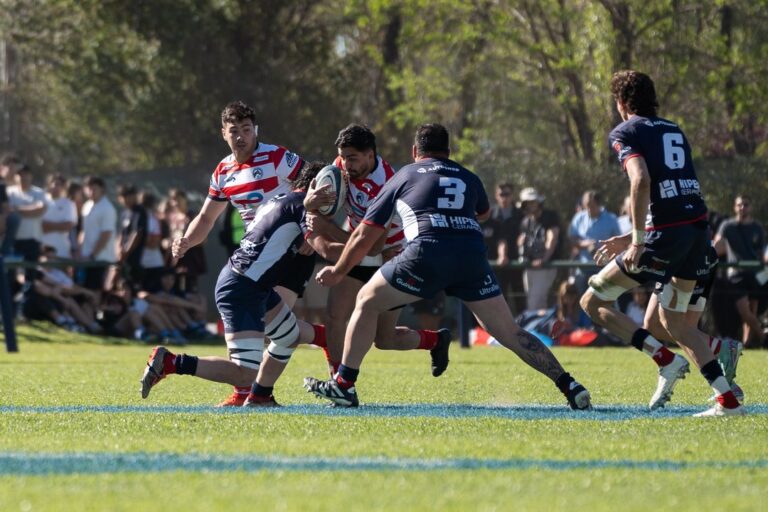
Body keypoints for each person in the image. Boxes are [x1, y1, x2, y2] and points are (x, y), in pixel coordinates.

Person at [304, 123, 592, 410]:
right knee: (509, 331)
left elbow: (365, 236)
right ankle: (569, 384)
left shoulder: (403, 174)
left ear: (415, 151)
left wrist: (338, 271)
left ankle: (343, 386)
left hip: (425, 254)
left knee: (366, 301)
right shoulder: (468, 176)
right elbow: (484, 213)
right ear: (449, 152)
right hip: (471, 256)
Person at [580, 70, 743, 416]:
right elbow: (676, 192)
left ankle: (665, 360)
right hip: (697, 233)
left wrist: (637, 241)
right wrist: (631, 236)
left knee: (592, 301)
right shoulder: (673, 128)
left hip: (664, 238)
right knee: (676, 324)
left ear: (622, 103)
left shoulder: (625, 131)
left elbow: (641, 181)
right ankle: (727, 400)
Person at [165, 100, 321, 406]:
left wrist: (313, 233)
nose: (241, 136)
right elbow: (207, 218)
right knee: (272, 330)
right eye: (234, 130)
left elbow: (320, 189)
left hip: (292, 253)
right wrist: (186, 240)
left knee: (266, 329)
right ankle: (257, 390)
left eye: (246, 130)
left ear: (255, 131)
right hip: (259, 254)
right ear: (223, 133)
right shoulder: (223, 171)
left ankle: (251, 390)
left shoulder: (277, 157)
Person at [141, 162, 330, 406]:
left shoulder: (281, 199)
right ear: (315, 187)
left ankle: (261, 397)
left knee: (289, 335)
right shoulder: (301, 205)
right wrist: (359, 252)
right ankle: (171, 362)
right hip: (243, 288)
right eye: (330, 190)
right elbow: (317, 245)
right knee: (246, 373)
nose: (332, 199)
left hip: (249, 283)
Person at [302, 124, 451, 377]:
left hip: (389, 254)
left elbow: (373, 246)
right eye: (343, 157)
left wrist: (326, 226)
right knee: (334, 316)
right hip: (357, 246)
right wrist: (309, 202)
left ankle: (435, 341)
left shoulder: (387, 185)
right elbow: (313, 201)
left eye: (352, 158)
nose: (345, 164)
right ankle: (337, 381)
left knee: (384, 339)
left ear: (370, 155)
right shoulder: (339, 166)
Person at [713, 195, 766, 347]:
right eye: (739, 204)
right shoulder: (727, 226)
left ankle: (746, 344)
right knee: (744, 311)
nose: (743, 207)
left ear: (751, 207)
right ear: (735, 207)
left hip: (756, 273)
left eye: (746, 204)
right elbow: (717, 244)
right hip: (735, 274)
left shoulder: (757, 228)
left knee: (751, 312)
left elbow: (762, 255)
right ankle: (763, 336)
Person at [568, 190, 621, 293]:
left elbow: (618, 242)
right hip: (583, 268)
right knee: (582, 300)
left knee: (604, 299)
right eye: (585, 205)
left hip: (604, 268)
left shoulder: (611, 219)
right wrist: (584, 244)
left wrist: (603, 248)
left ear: (598, 204)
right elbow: (572, 239)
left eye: (590, 205)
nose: (588, 209)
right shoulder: (579, 218)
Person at [517, 187, 561, 310]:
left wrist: (544, 259)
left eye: (532, 202)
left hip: (545, 266)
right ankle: (540, 327)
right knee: (534, 301)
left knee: (535, 302)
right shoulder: (525, 221)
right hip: (530, 266)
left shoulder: (550, 216)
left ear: (538, 202)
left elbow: (552, 239)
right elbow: (522, 241)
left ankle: (534, 328)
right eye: (527, 203)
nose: (530, 205)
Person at [483, 182, 524, 314]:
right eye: (501, 194)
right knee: (501, 298)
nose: (504, 198)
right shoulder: (491, 214)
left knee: (520, 296)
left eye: (507, 194)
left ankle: (524, 328)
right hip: (497, 264)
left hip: (517, 261)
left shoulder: (520, 215)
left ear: (512, 195)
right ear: (496, 196)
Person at [7, 165, 47, 277]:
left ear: (31, 176)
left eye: (26, 174)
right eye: (20, 174)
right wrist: (29, 209)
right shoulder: (9, 192)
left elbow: (39, 210)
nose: (23, 177)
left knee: (31, 274)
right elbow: (7, 211)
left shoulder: (39, 193)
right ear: (15, 176)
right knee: (11, 274)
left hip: (32, 241)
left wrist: (16, 209)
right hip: (13, 241)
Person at [79, 177, 117, 291]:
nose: (91, 191)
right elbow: (83, 231)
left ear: (102, 189)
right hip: (86, 259)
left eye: (94, 188)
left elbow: (106, 235)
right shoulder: (86, 206)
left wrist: (92, 255)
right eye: (89, 188)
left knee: (97, 291)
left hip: (101, 259)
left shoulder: (107, 208)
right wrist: (80, 252)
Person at [116, 184, 148, 287]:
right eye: (123, 197)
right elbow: (121, 233)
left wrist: (126, 251)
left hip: (136, 259)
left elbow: (137, 233)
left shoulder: (140, 211)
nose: (126, 200)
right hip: (124, 259)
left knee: (134, 286)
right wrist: (118, 249)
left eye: (129, 196)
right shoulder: (124, 213)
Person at [41, 173, 78, 259]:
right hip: (42, 250)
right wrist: (58, 226)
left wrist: (48, 226)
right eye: (55, 184)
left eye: (60, 185)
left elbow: (68, 226)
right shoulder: (42, 201)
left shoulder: (69, 204)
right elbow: (39, 225)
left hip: (61, 250)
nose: (56, 187)